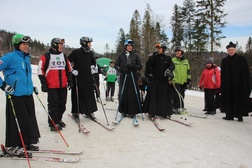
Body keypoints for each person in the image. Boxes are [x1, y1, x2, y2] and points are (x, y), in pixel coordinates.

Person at [0, 34, 40, 153]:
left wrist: (31, 87)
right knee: (17, 119)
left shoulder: (26, 58)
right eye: (23, 44)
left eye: (27, 44)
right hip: (15, 94)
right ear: (17, 45)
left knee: (28, 119)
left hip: (27, 93)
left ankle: (27, 142)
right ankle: (15, 144)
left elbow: (23, 76)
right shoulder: (9, 58)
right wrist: (3, 85)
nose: (26, 46)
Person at [38, 38, 73, 131]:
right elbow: (40, 70)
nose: (62, 46)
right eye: (60, 45)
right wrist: (43, 83)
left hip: (62, 86)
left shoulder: (64, 56)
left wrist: (70, 81)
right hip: (52, 86)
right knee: (53, 105)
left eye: (62, 45)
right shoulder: (46, 56)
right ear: (54, 45)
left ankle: (58, 119)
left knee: (62, 105)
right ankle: (52, 123)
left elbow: (69, 69)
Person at [68, 36, 98, 121]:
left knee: (89, 94)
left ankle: (89, 111)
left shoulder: (90, 53)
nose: (90, 45)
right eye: (89, 43)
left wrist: (92, 67)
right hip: (78, 77)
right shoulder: (76, 52)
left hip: (88, 77)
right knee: (77, 94)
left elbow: (93, 62)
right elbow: (67, 61)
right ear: (84, 43)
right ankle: (75, 113)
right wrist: (72, 70)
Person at [221, 42, 251, 122]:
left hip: (239, 84)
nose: (231, 51)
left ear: (235, 50)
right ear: (227, 51)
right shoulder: (224, 61)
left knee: (239, 99)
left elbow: (246, 72)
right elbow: (223, 74)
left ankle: (239, 115)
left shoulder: (241, 59)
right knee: (228, 98)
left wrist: (247, 83)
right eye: (229, 50)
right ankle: (229, 115)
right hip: (228, 84)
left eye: (232, 50)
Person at [143, 43, 175, 118]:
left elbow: (172, 65)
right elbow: (147, 66)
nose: (158, 50)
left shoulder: (167, 58)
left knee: (164, 97)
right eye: (157, 48)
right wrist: (151, 58)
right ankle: (152, 112)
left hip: (164, 80)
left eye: (160, 48)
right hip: (155, 80)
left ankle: (165, 112)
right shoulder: (154, 57)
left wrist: (169, 70)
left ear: (163, 49)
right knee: (154, 97)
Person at [115, 39, 142, 117]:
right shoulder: (121, 55)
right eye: (128, 46)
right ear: (126, 46)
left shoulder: (136, 55)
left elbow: (140, 66)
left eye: (131, 46)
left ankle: (132, 111)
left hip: (132, 76)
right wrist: (121, 70)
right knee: (123, 93)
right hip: (124, 75)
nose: (130, 47)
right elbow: (116, 65)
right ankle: (124, 110)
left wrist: (133, 67)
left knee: (132, 93)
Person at [171, 46, 191, 114]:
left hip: (183, 81)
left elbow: (188, 70)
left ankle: (181, 107)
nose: (177, 52)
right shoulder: (173, 60)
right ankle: (175, 107)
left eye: (178, 51)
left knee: (182, 95)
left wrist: (188, 79)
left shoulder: (186, 61)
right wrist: (170, 79)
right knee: (177, 94)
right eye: (176, 51)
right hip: (175, 80)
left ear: (181, 52)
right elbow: (170, 70)